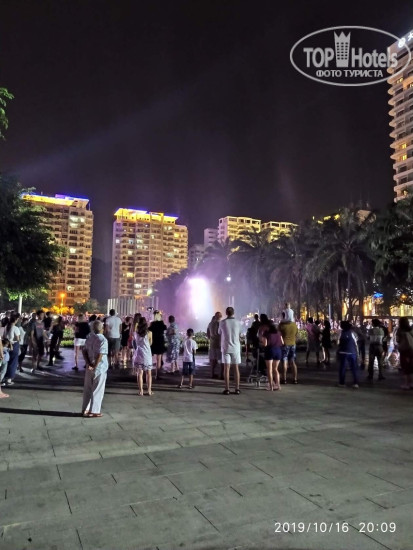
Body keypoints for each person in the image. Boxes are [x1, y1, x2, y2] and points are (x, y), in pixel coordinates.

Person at [82, 320, 108, 417]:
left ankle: (85, 408)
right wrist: (95, 366)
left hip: (89, 366)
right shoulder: (103, 340)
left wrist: (88, 363)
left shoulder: (89, 338)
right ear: (102, 328)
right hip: (100, 367)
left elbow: (84, 351)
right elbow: (100, 355)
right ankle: (94, 411)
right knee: (97, 389)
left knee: (88, 388)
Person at [218, 306, 242, 395]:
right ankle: (237, 388)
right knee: (236, 368)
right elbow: (239, 333)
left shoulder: (222, 322)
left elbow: (219, 332)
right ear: (233, 313)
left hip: (226, 347)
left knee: (226, 368)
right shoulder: (238, 322)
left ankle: (227, 389)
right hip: (236, 347)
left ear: (226, 313)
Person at [133, 316, 154, 396]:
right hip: (147, 354)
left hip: (139, 354)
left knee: (140, 373)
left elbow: (135, 342)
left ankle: (141, 391)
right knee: (149, 373)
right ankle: (149, 390)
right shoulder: (149, 333)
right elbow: (150, 343)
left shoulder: (136, 333)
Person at [337, 321, 359, 388]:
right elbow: (356, 342)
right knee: (353, 368)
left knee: (342, 368)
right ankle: (355, 383)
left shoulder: (340, 333)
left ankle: (342, 383)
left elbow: (338, 342)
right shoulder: (353, 333)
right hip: (352, 352)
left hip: (343, 352)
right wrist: (357, 352)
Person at [262, 322, 284, 391]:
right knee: (275, 369)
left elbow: (265, 344)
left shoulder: (266, 333)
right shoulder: (278, 333)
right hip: (278, 351)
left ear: (268, 327)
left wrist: (262, 342)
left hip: (269, 350)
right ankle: (278, 385)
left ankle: (271, 386)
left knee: (269, 369)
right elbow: (282, 342)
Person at [279, 312, 298, 384]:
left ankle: (284, 379)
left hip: (285, 344)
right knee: (293, 361)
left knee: (284, 361)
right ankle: (295, 379)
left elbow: (278, 334)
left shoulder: (281, 325)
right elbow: (296, 334)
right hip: (293, 344)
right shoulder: (294, 325)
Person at [3, 314, 21, 386]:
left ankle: (4, 377)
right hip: (14, 345)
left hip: (6, 345)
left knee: (6, 362)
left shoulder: (6, 327)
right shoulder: (15, 328)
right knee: (13, 362)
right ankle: (9, 379)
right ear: (16, 320)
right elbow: (17, 339)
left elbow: (4, 336)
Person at [396, 317, 413, 390]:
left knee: (405, 367)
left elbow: (397, 340)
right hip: (411, 350)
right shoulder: (411, 329)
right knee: (411, 367)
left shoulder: (400, 330)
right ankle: (411, 383)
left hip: (404, 350)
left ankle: (406, 384)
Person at [149, 311, 167, 380]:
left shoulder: (152, 324)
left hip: (153, 341)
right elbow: (165, 328)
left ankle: (148, 372)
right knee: (158, 359)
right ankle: (157, 374)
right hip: (160, 342)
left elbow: (149, 330)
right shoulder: (161, 323)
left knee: (150, 357)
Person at [207, 312, 223, 379]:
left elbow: (208, 334)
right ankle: (221, 374)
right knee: (221, 360)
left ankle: (212, 374)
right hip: (219, 344)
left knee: (213, 360)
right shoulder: (221, 323)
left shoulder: (210, 324)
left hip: (212, 344)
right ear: (220, 316)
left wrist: (211, 338)